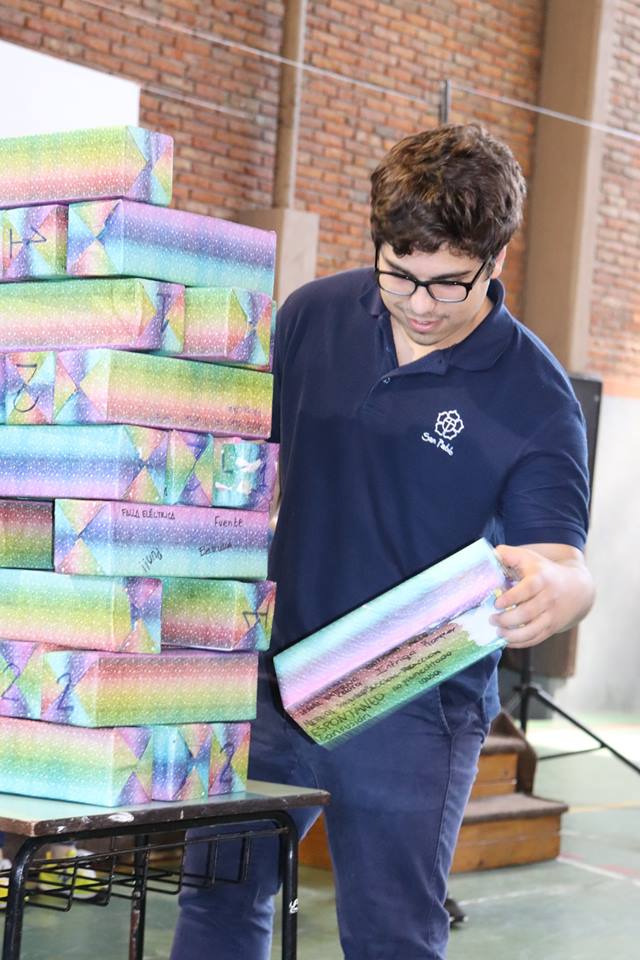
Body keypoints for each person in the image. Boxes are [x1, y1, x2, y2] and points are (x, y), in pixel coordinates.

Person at [171, 123, 594, 960]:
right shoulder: (313, 316)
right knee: (219, 903)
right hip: (272, 675)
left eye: (449, 283)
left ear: (496, 259)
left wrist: (563, 591)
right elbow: (235, 465)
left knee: (390, 936)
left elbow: (563, 560)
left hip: (413, 694)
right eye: (400, 273)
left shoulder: (537, 399)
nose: (421, 304)